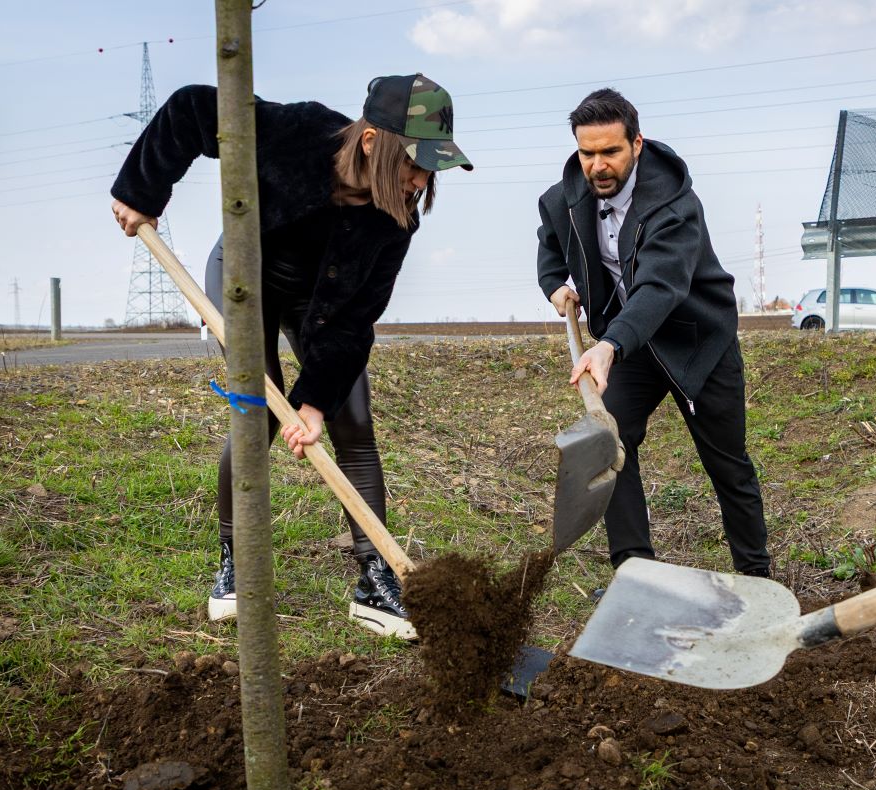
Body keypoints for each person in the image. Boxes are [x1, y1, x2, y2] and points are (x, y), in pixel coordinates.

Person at [111, 74, 472, 639]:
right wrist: (141, 191)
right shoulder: (297, 131)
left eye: (431, 169)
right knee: (254, 416)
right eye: (414, 163)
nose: (420, 181)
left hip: (324, 309)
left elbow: (355, 322)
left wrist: (314, 405)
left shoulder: (396, 220)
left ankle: (377, 580)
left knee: (353, 422)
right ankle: (239, 564)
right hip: (244, 279)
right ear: (373, 141)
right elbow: (193, 108)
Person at [536, 88, 772, 581]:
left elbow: (659, 287)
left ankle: (755, 577)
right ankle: (635, 574)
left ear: (637, 144)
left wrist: (609, 345)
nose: (598, 165)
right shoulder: (563, 199)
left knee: (727, 464)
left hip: (696, 342)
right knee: (611, 440)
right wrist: (555, 286)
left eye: (610, 152)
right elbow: (551, 249)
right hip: (629, 346)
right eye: (587, 153)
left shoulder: (675, 204)